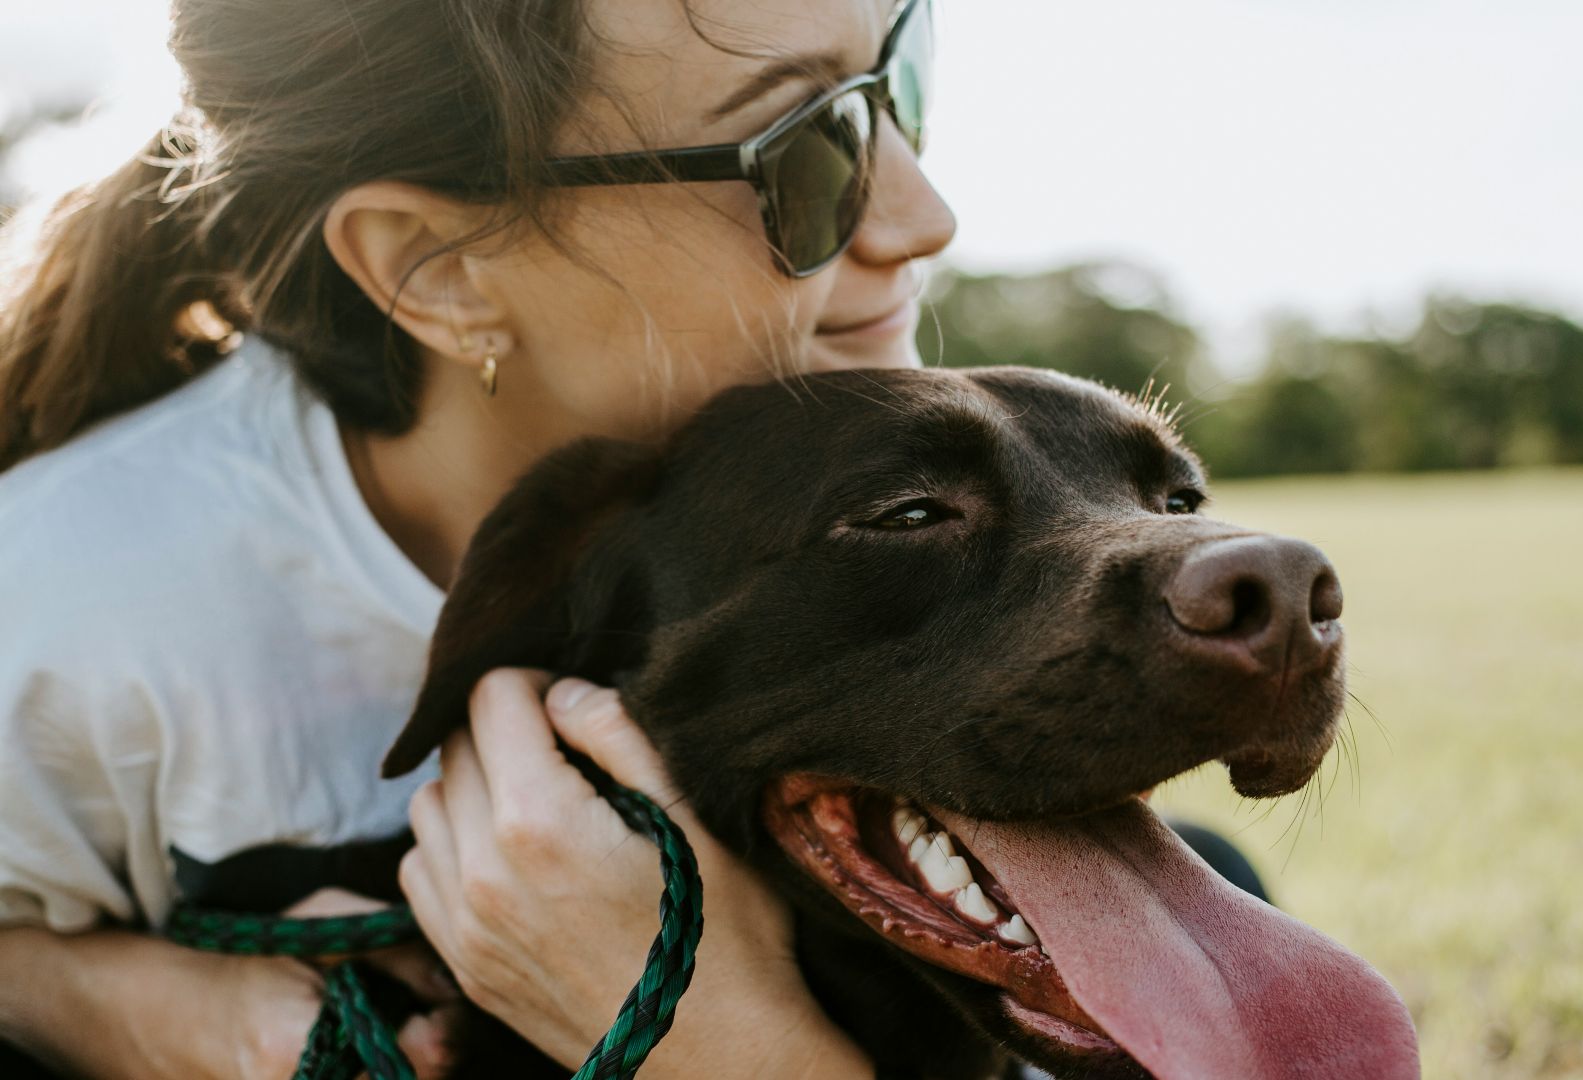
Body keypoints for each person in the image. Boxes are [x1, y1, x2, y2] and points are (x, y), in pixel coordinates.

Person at [0, 0, 949, 1074]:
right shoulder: (66, 601)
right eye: (808, 146)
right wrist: (109, 1003)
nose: (923, 216)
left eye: (893, 81)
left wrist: (717, 1035)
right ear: (435, 267)